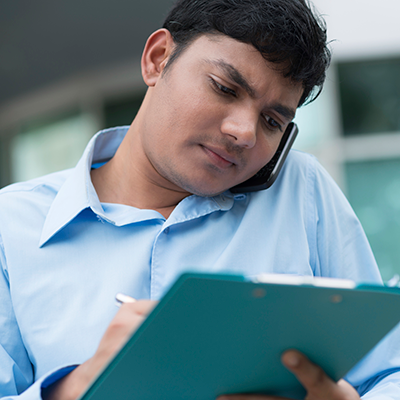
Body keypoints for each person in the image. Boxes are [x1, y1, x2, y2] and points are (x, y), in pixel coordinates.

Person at [1, 0, 400, 399]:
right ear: (158, 59)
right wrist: (81, 386)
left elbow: (389, 373)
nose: (244, 132)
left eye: (272, 121)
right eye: (225, 88)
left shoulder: (303, 194)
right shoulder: (12, 226)